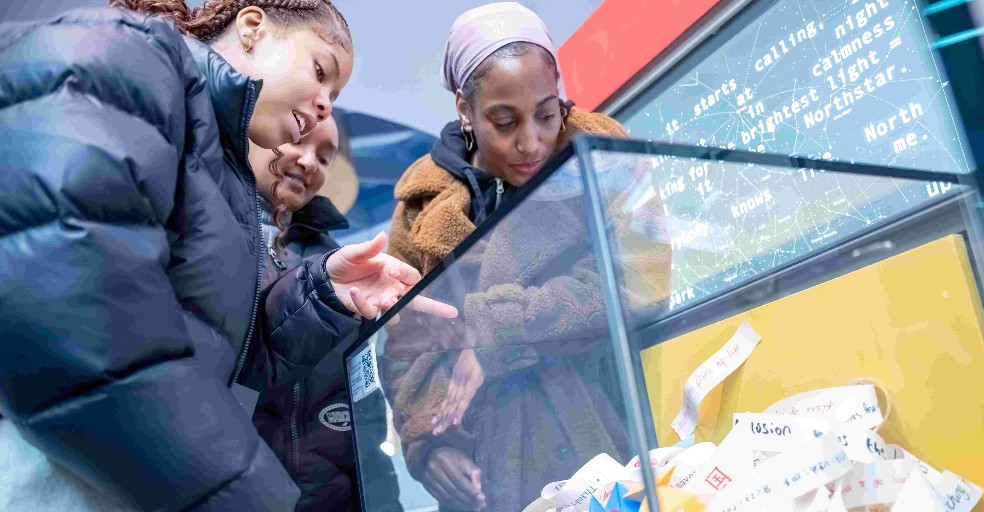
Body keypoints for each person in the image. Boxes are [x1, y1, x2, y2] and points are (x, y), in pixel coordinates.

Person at [0, 2, 454, 511]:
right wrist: (249, 497)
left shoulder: (222, 183)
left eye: (335, 95)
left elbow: (222, 360)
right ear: (252, 26)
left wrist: (321, 295)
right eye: (321, 71)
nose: (325, 106)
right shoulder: (126, 54)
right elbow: (71, 313)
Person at [380, 3, 670, 511]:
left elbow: (640, 283)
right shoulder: (418, 205)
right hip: (486, 465)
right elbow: (403, 344)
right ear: (464, 110)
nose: (531, 142)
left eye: (546, 112)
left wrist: (494, 329)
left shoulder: (602, 153)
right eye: (504, 121)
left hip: (603, 438)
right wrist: (428, 446)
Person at [246, 116, 403, 512]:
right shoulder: (207, 233)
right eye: (297, 139)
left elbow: (362, 412)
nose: (310, 161)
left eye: (325, 156)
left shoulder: (338, 265)